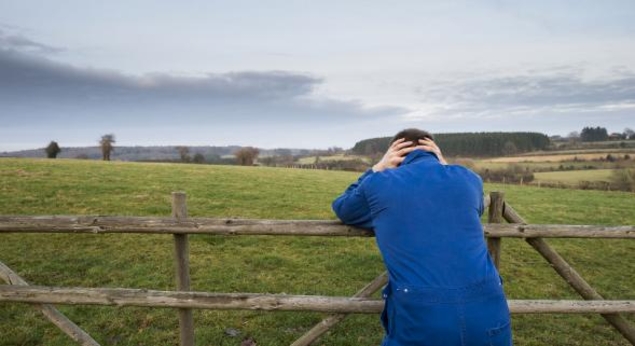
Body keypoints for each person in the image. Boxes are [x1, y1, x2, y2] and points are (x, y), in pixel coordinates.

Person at [332, 128, 512, 346]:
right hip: (490, 308)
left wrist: (378, 167)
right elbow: (474, 208)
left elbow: (344, 208)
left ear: (395, 154)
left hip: (422, 316)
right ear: (435, 152)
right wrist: (444, 164)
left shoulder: (379, 183)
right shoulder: (470, 179)